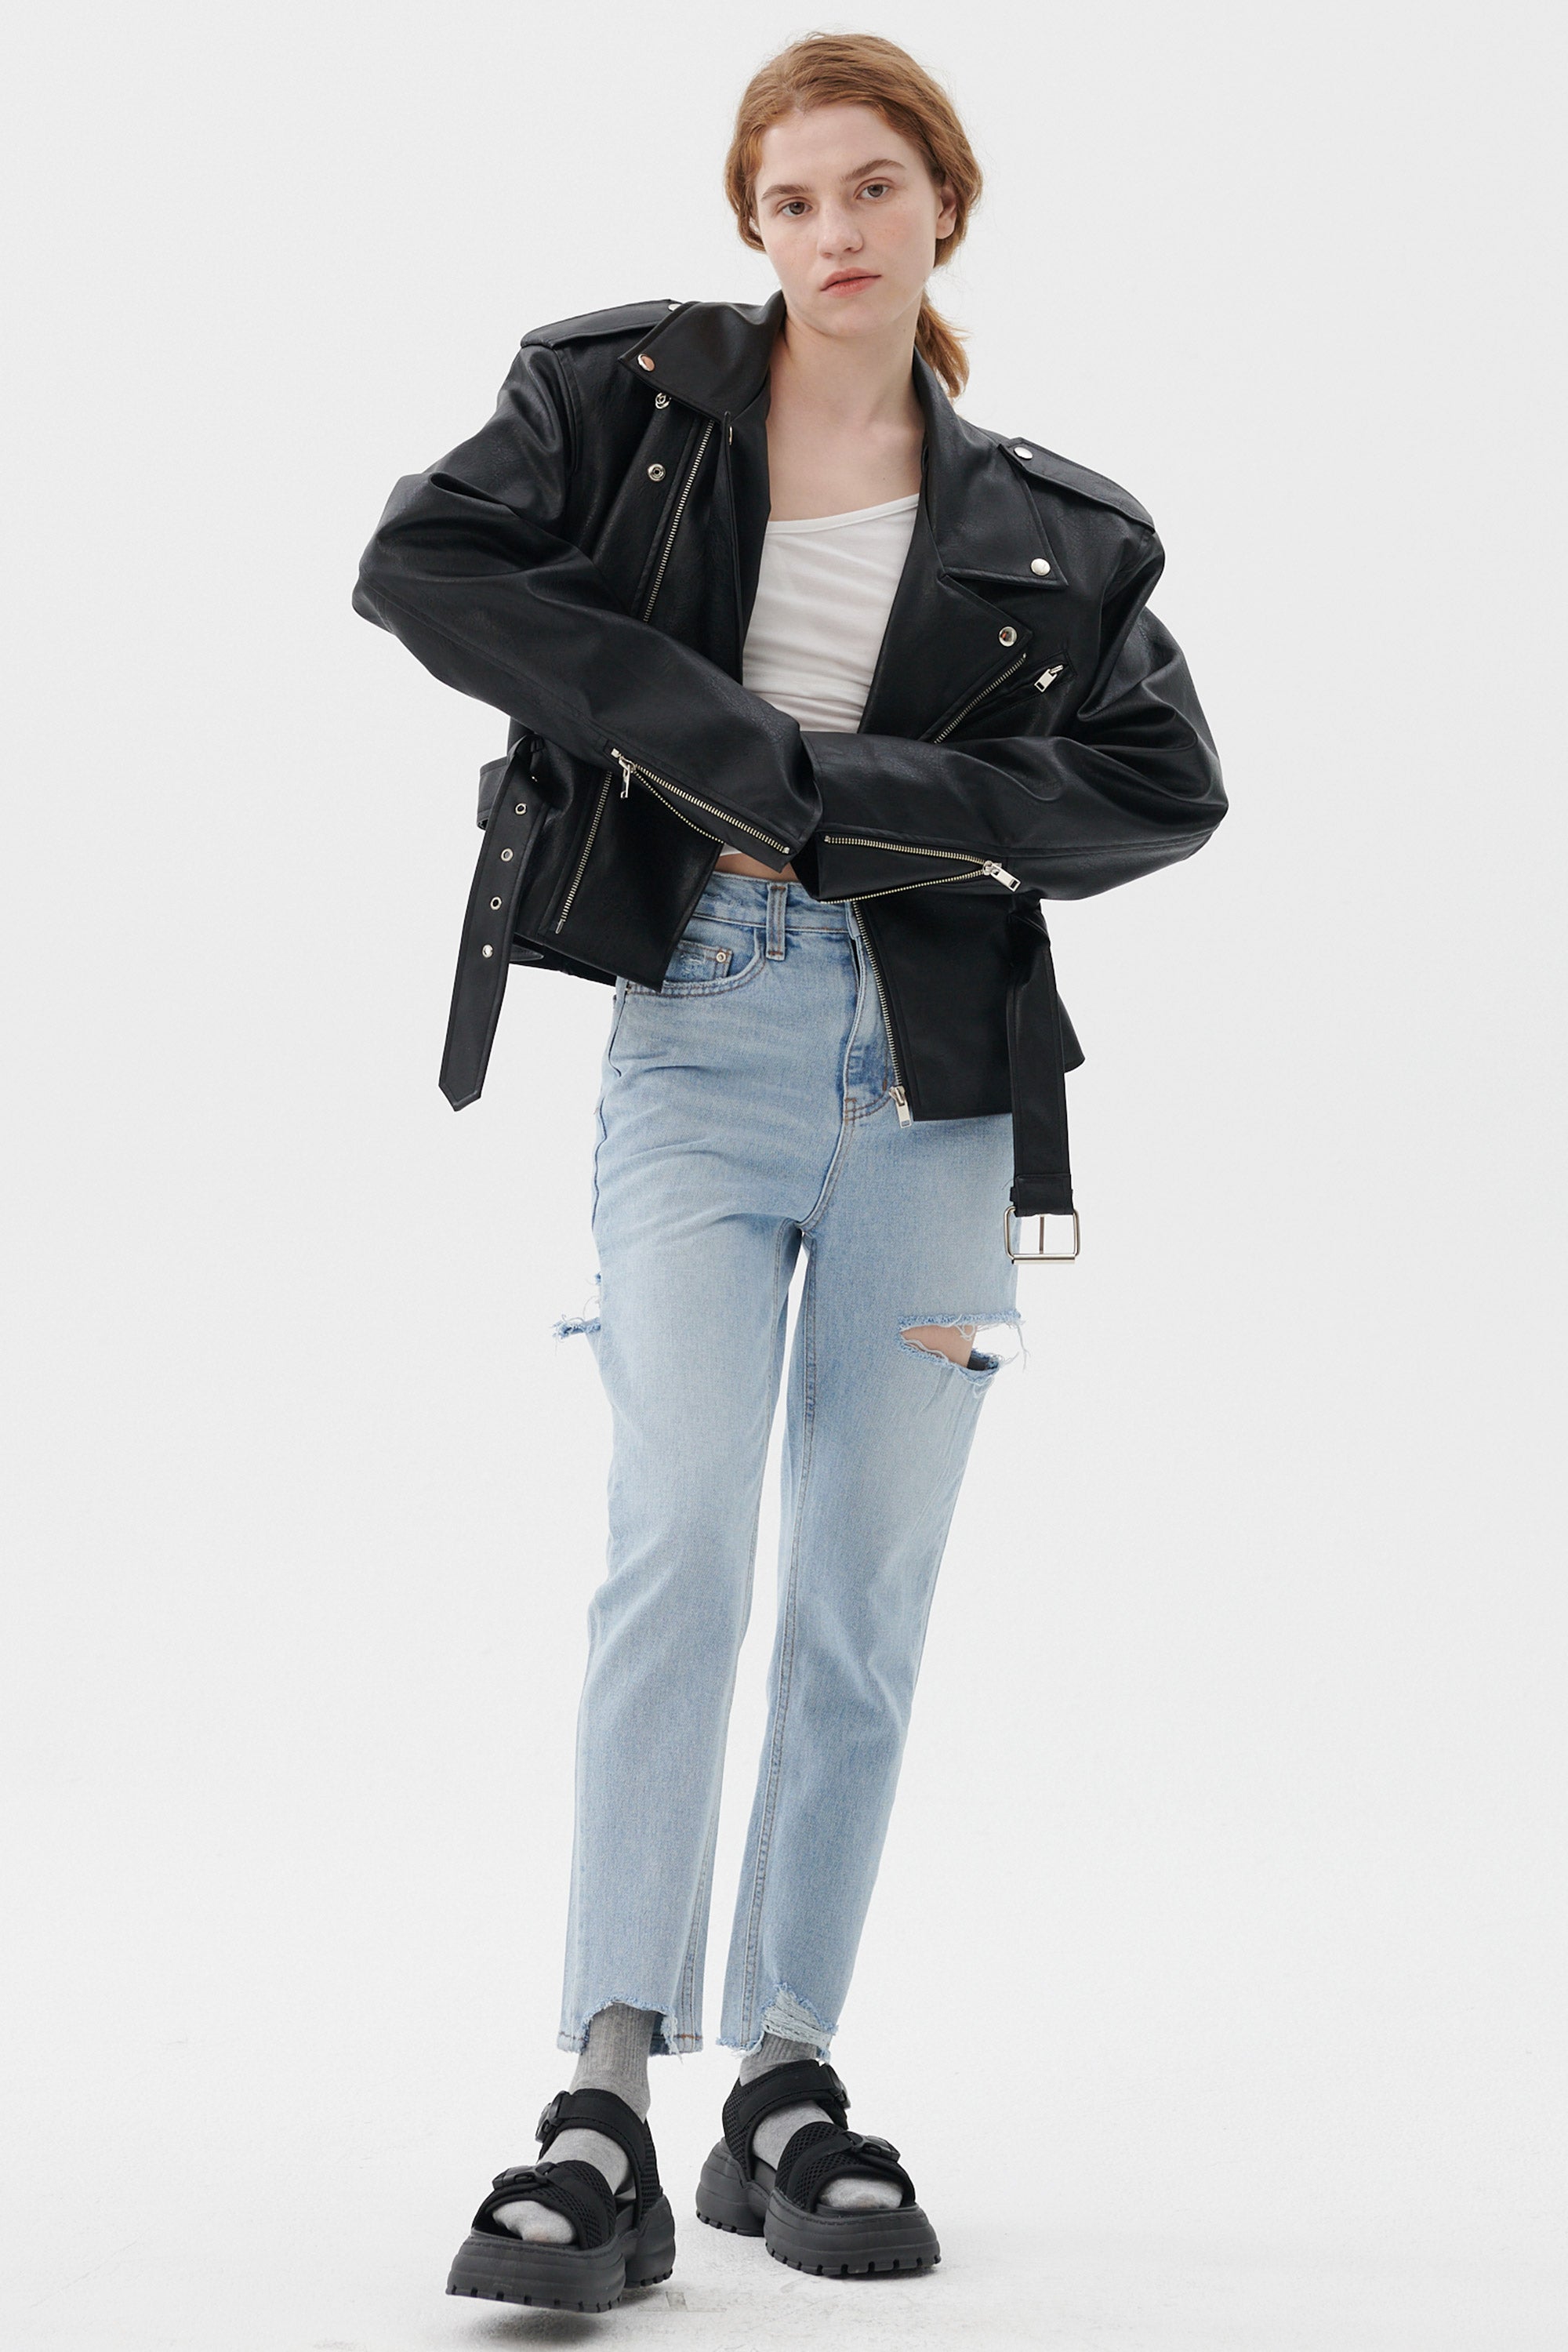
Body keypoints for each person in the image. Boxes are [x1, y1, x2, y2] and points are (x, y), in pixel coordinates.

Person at [353, 30, 1225, 2314]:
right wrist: (726, 749)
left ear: (945, 202)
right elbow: (420, 565)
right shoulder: (625, 402)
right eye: (789, 202)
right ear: (752, 228)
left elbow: (1165, 786)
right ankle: (600, 2100)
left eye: (871, 190)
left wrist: (867, 807)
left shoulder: (1061, 529)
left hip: (940, 1066)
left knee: (863, 1588)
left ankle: (789, 2079)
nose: (832, 234)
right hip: (703, 1028)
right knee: (678, 1544)